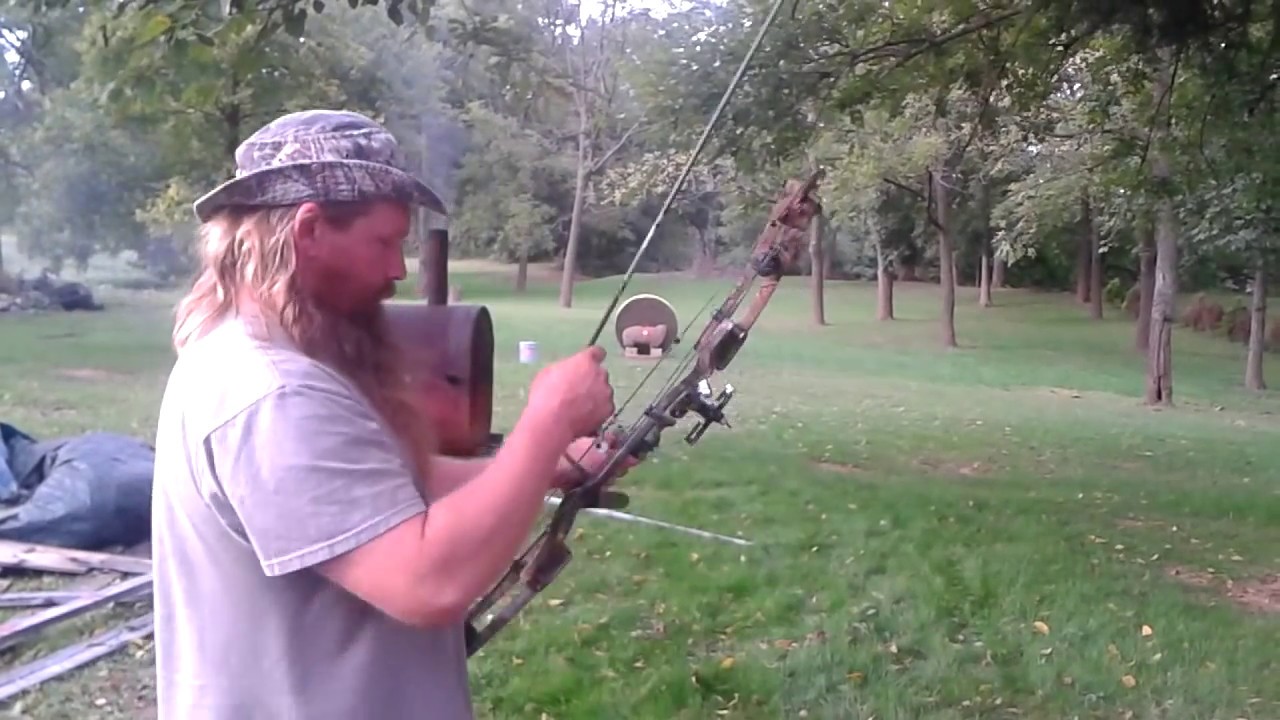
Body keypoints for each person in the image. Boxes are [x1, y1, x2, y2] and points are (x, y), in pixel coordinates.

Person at [149, 109, 634, 720]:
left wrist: (553, 465)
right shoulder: (273, 394)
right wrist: (548, 421)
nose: (397, 270)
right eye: (384, 242)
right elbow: (424, 582)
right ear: (310, 230)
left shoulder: (252, 352)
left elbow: (387, 485)